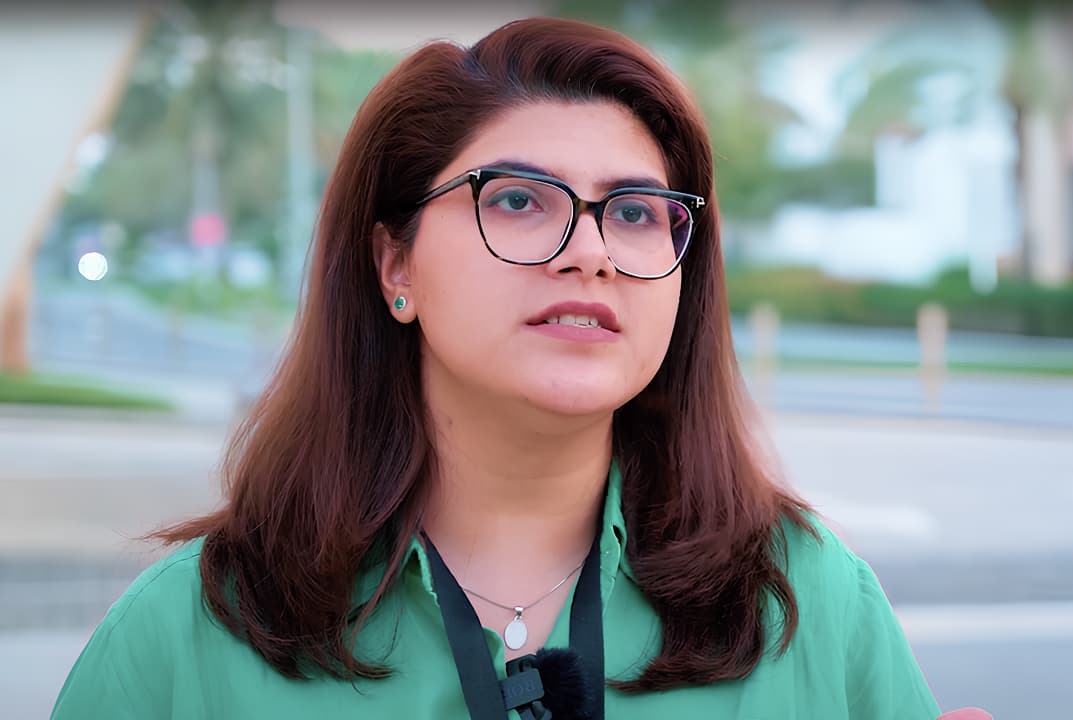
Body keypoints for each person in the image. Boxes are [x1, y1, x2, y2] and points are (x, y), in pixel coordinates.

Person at [52, 17, 979, 720]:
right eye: (521, 200)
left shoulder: (807, 601)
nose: (591, 253)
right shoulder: (187, 636)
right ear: (394, 264)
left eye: (635, 212)